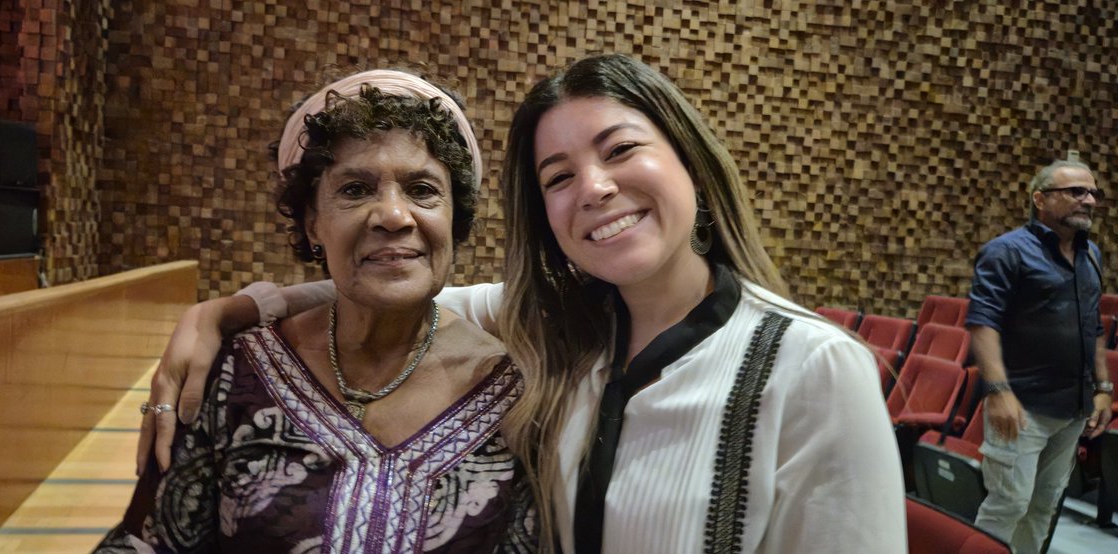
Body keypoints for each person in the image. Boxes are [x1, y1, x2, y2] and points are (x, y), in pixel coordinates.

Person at [143, 54, 906, 552]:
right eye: (559, 176)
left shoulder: (815, 370)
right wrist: (233, 311)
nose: (596, 189)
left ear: (693, 164)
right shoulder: (552, 326)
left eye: (619, 149)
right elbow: (392, 282)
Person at [98, 70, 536, 552]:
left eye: (422, 189)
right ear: (312, 223)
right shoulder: (229, 376)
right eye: (354, 190)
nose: (393, 215)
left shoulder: (517, 397)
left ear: (456, 217)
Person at [966, 158, 1113, 553]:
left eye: (1093, 193)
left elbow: (1093, 326)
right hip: (1022, 405)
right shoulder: (1006, 252)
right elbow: (983, 324)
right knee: (1007, 504)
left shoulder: (1092, 255)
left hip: (1073, 407)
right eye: (1076, 192)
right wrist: (998, 391)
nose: (1089, 200)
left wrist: (1102, 388)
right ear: (1040, 199)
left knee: (1043, 507)